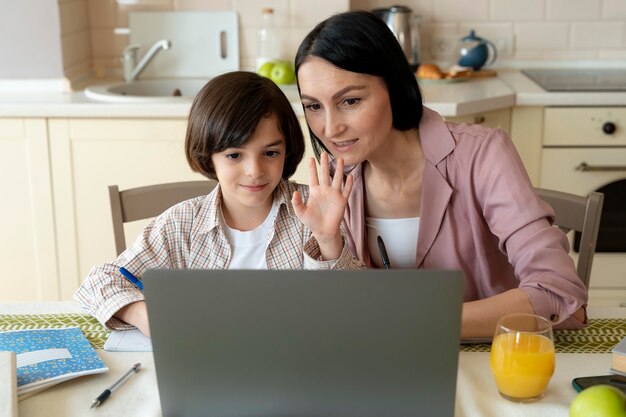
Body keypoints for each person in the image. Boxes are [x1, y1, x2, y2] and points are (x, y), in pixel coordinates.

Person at [294, 11, 587, 338]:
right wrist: (328, 243)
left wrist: (423, 322)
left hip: (495, 362)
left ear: (393, 85)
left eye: (350, 100)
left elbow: (559, 295)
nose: (331, 128)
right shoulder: (335, 181)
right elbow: (348, 314)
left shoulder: (483, 155)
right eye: (314, 106)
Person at [74, 71, 361, 337]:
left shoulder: (315, 209)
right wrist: (142, 313)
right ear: (208, 155)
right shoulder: (181, 224)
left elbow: (354, 309)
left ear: (288, 150)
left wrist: (327, 241)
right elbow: (99, 282)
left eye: (270, 152)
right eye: (235, 155)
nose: (255, 170)